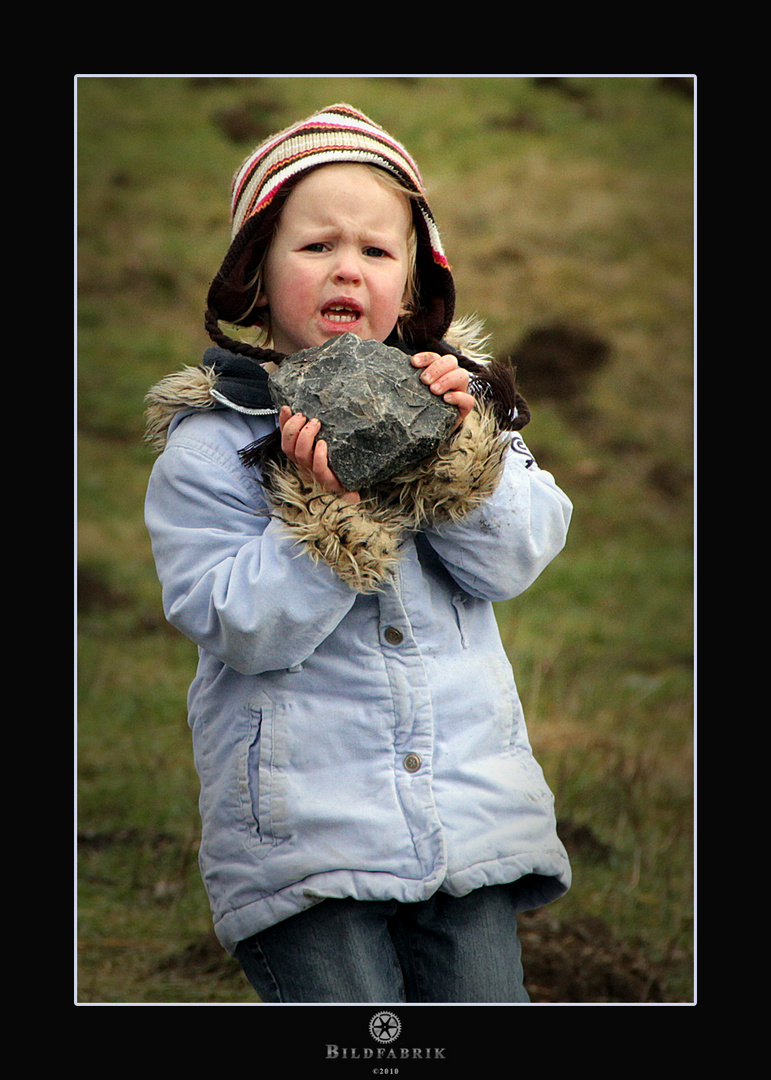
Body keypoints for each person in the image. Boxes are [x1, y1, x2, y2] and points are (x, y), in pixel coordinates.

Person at [144, 103, 573, 1003]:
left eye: (377, 252)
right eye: (315, 247)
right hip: (306, 841)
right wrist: (324, 517)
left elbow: (516, 558)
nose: (348, 266)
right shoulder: (212, 448)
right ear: (254, 277)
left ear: (413, 288)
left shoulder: (460, 411)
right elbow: (240, 627)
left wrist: (459, 454)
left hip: (468, 821)